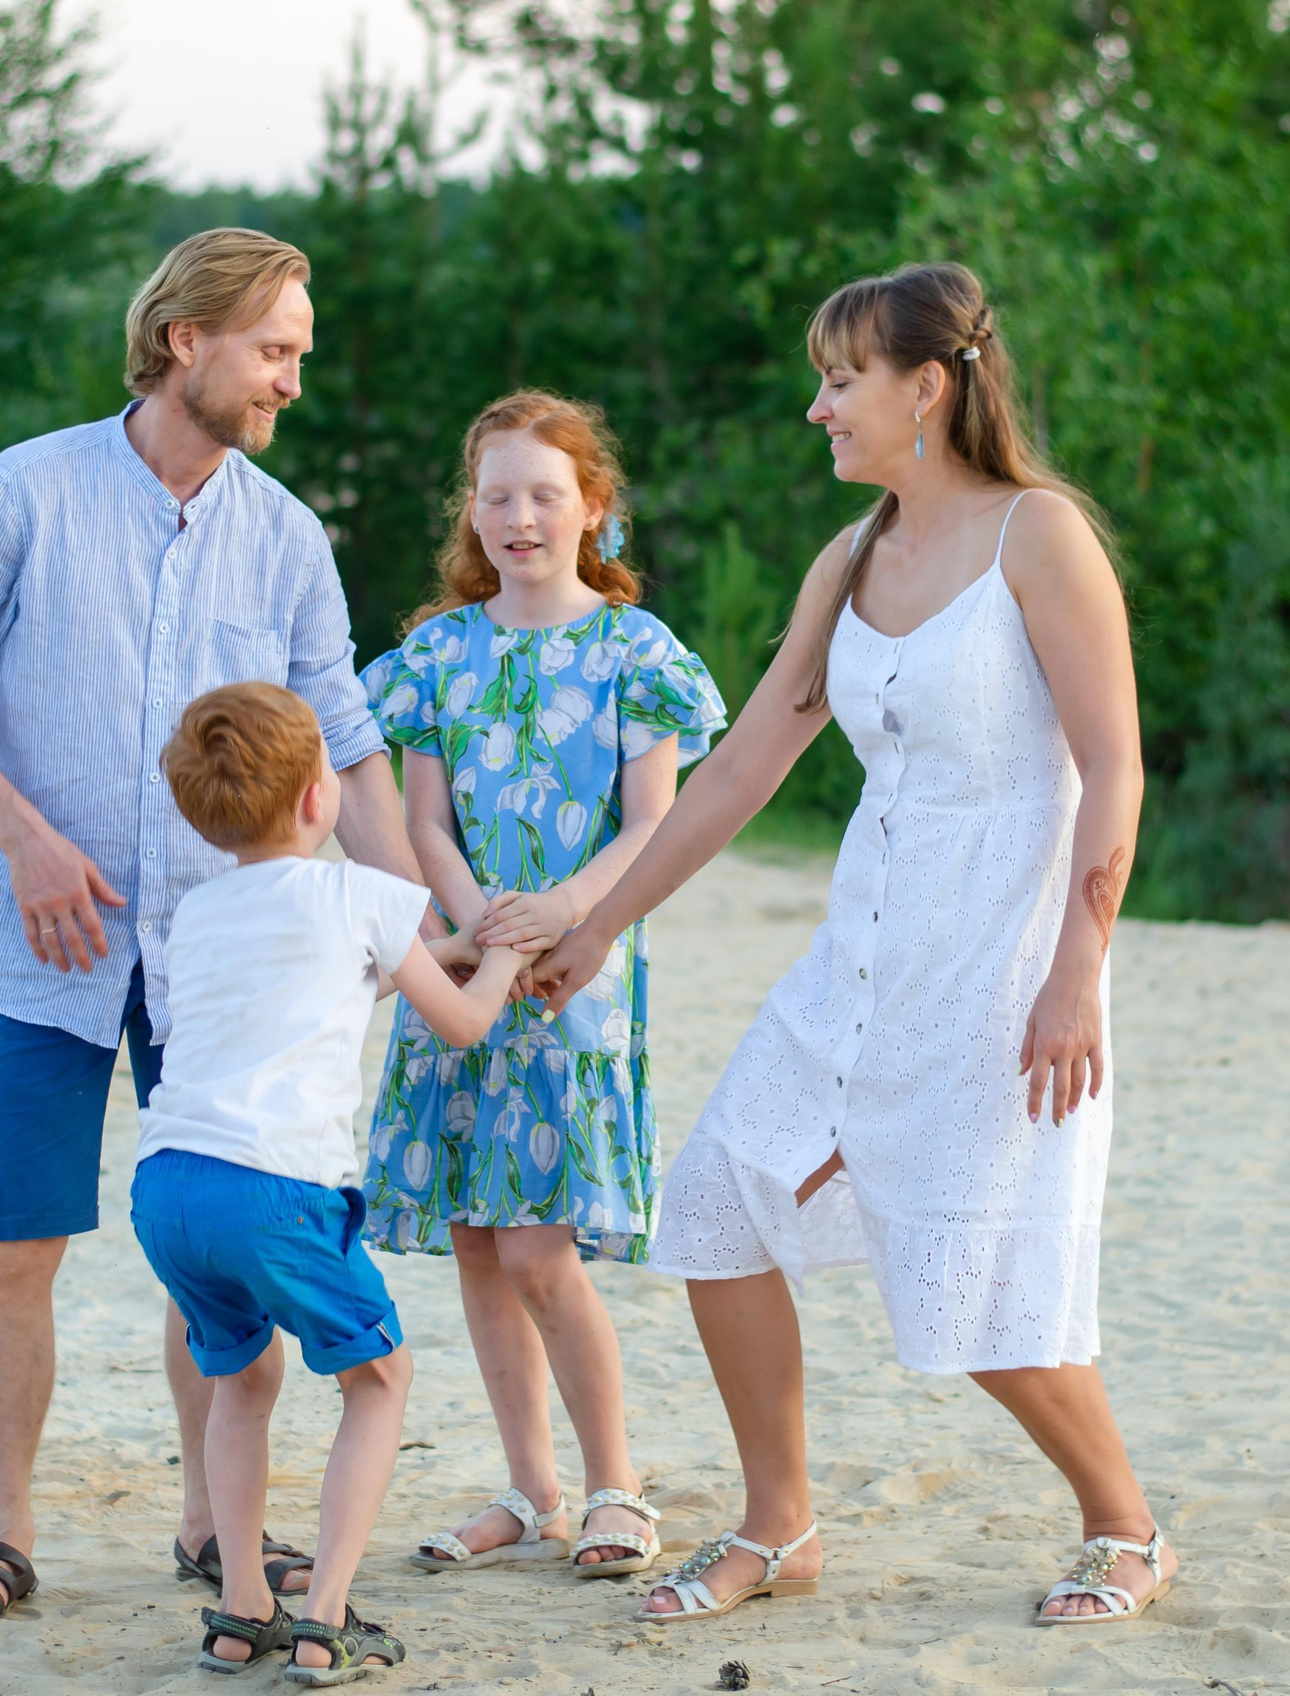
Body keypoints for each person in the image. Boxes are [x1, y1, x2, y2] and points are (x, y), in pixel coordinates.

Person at [531, 262, 1176, 1626]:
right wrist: (598, 923)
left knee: (975, 1276)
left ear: (928, 388)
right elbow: (737, 771)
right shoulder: (854, 558)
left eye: (841, 378)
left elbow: (1114, 770)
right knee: (713, 1205)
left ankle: (1123, 1527)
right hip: (858, 962)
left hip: (1001, 965)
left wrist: (1080, 974)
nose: (817, 405)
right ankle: (782, 1524)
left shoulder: (1040, 540)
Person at [0, 228, 429, 1629]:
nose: (293, 379)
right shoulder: (25, 492)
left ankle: (208, 1529)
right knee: (20, 1244)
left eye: (300, 352)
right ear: (187, 340)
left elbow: (349, 749)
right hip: (36, 945)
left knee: (216, 1245)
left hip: (221, 955)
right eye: (276, 349)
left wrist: (438, 921)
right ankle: (4, 1533)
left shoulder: (287, 535)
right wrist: (24, 836)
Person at [358, 392, 724, 1580]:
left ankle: (618, 1487)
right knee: (475, 1240)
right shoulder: (434, 655)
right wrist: (475, 926)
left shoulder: (635, 651)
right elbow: (420, 819)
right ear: (471, 507)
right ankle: (532, 1490)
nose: (520, 517)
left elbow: (652, 825)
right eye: (497, 493)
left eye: (545, 495)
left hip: (576, 969)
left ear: (593, 508)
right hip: (463, 967)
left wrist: (563, 914)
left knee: (536, 1250)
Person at [136, 681, 531, 1683]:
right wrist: (503, 959)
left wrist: (448, 954)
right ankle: (322, 1618)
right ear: (322, 799)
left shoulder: (200, 911)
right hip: (275, 1188)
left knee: (243, 1380)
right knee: (378, 1377)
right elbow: (463, 1018)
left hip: (169, 1184)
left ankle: (239, 1614)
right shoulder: (360, 894)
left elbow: (351, 969)